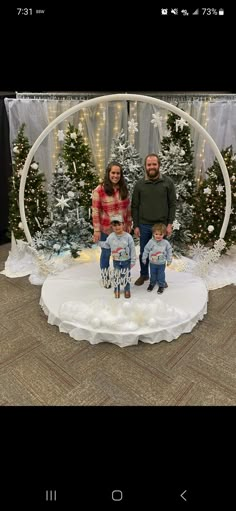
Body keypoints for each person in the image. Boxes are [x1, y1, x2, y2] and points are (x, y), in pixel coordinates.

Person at [131, 153, 176, 286]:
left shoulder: (168, 183)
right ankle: (144, 275)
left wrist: (169, 224)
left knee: (160, 253)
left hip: (161, 226)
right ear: (145, 166)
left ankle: (159, 277)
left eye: (154, 164)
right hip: (144, 224)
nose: (151, 167)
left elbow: (172, 204)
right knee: (144, 251)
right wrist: (136, 225)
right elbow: (135, 206)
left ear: (159, 165)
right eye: (149, 164)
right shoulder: (139, 184)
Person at [92, 161, 132, 287]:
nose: (115, 175)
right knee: (105, 254)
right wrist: (97, 230)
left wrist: (129, 223)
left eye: (118, 173)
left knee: (121, 254)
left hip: (122, 230)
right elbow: (95, 211)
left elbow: (128, 208)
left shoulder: (123, 189)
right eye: (113, 173)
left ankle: (121, 276)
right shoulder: (99, 190)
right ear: (108, 173)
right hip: (106, 230)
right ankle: (105, 278)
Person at [98, 214, 136, 298]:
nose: (117, 227)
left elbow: (132, 249)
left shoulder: (128, 237)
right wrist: (98, 242)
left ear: (123, 224)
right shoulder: (111, 237)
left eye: (119, 224)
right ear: (111, 226)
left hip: (126, 261)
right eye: (114, 225)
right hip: (116, 261)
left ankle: (127, 289)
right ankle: (117, 289)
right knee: (117, 275)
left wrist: (133, 260)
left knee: (126, 275)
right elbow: (106, 245)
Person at [142, 223, 172, 294]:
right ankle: (152, 283)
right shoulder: (151, 242)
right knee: (153, 274)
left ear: (164, 234)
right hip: (152, 263)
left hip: (161, 263)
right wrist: (144, 258)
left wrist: (169, 260)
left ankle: (161, 285)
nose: (158, 236)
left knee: (161, 274)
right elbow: (146, 249)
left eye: (160, 234)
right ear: (153, 234)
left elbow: (169, 251)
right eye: (156, 234)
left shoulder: (165, 243)